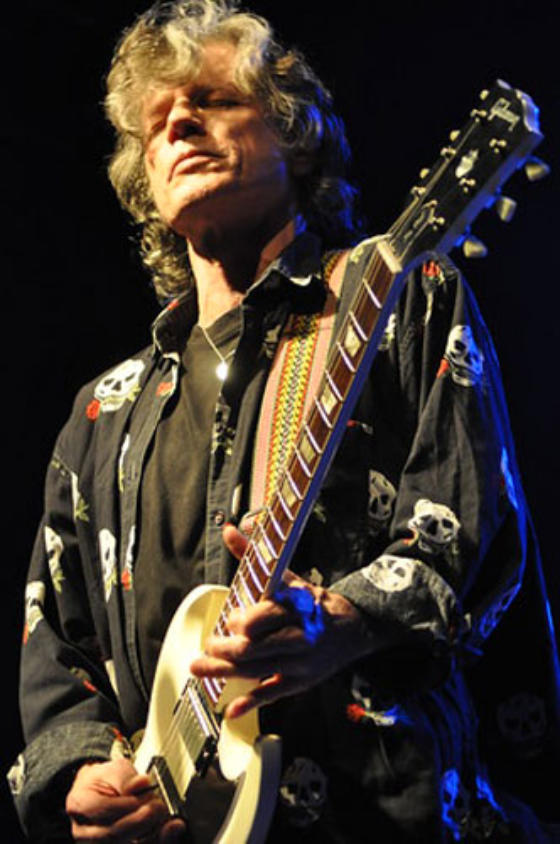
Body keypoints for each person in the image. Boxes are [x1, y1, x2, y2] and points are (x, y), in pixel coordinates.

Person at [8, 1, 560, 841]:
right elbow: (58, 636)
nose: (179, 123)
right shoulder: (100, 414)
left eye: (214, 99)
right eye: (157, 122)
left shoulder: (396, 298)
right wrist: (83, 771)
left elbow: (472, 530)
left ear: (295, 137)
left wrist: (343, 622)